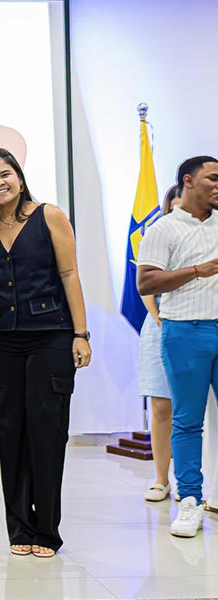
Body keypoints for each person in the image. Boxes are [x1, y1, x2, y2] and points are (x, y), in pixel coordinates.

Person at [0, 148, 92, 558]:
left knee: (47, 432)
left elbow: (69, 274)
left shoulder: (49, 215)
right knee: (10, 432)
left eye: (5, 174)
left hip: (51, 336)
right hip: (0, 340)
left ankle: (47, 531)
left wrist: (81, 333)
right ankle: (19, 528)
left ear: (19, 178)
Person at [137, 155, 218, 538]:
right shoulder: (163, 228)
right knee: (187, 419)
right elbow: (146, 282)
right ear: (188, 181)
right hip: (185, 330)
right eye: (212, 178)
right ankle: (189, 502)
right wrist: (198, 270)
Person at [138, 184, 181, 503]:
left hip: (200, 324)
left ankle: (196, 482)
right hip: (160, 326)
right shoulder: (157, 235)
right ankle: (162, 479)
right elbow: (145, 286)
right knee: (161, 405)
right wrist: (159, 318)